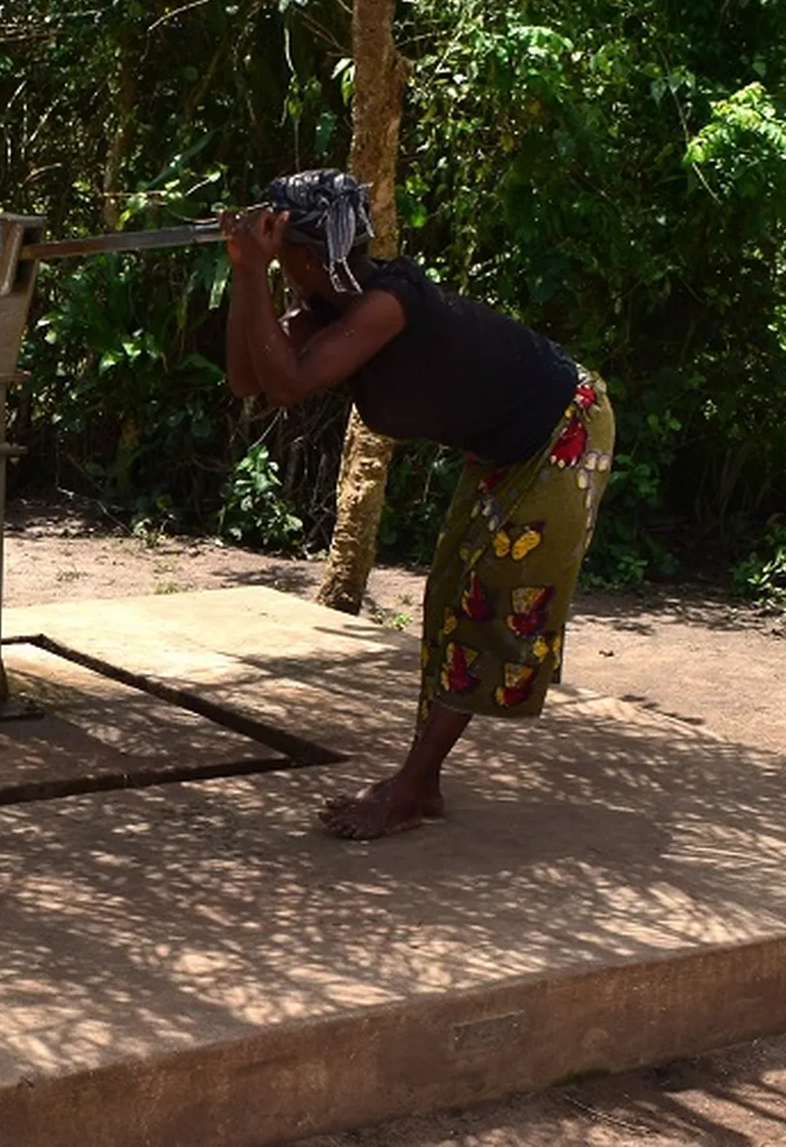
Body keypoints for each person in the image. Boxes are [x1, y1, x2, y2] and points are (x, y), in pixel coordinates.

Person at [221, 169, 613, 841]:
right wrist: (243, 274)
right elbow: (249, 376)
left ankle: (412, 786)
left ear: (309, 258)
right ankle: (421, 781)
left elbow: (288, 386)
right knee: (449, 594)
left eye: (284, 258)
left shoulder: (386, 303)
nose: (280, 269)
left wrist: (254, 271)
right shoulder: (321, 310)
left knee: (486, 598)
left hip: (563, 427)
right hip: (505, 442)